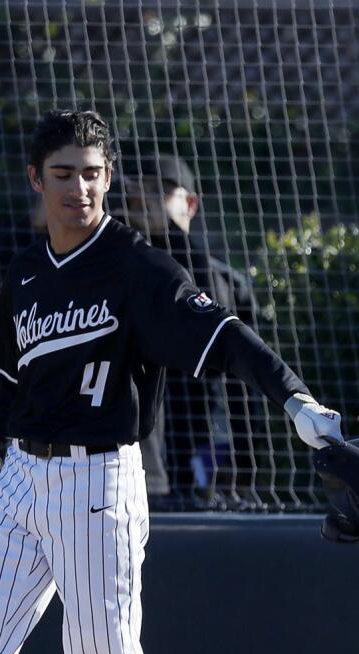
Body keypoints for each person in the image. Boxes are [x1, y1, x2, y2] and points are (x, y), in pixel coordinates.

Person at [0, 109, 343, 654]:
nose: (78, 188)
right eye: (62, 173)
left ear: (108, 177)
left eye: (91, 173)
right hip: (18, 481)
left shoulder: (138, 265)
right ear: (36, 178)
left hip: (97, 482)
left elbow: (225, 335)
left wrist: (295, 399)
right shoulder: (27, 270)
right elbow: (5, 384)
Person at [124, 155, 262, 509]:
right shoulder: (113, 265)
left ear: (191, 203)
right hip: (125, 463)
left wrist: (248, 470)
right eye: (141, 191)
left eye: (161, 191)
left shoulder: (221, 277)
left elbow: (243, 382)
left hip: (195, 458)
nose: (148, 200)